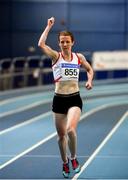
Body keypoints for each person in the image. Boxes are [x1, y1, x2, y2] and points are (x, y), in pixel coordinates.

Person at [38, 17, 94, 178]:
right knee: (61, 136)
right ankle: (65, 162)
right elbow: (41, 44)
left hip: (75, 98)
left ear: (72, 43)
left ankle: (74, 158)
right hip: (59, 100)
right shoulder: (56, 56)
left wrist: (89, 81)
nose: (64, 44)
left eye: (67, 41)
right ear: (59, 44)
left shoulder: (79, 58)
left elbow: (90, 70)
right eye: (62, 42)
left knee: (70, 130)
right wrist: (48, 27)